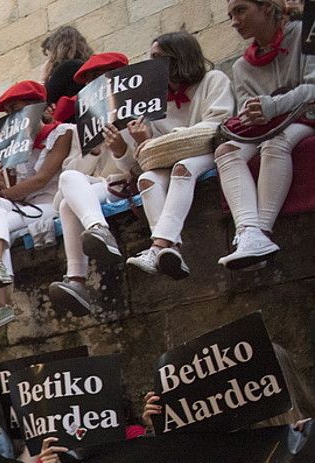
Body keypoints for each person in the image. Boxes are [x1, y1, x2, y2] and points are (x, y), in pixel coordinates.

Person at [0, 80, 72, 338]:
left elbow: (41, 180)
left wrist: (3, 192)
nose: (13, 118)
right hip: (26, 207)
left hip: (53, 203)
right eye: (9, 113)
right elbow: (16, 190)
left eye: (17, 109)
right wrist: (0, 186)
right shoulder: (14, 146)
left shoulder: (63, 132)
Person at [126, 32, 235, 279]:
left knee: (183, 168)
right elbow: (150, 149)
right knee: (147, 180)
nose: (152, 64)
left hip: (207, 147)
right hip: (168, 155)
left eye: (158, 57)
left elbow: (219, 121)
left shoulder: (213, 80)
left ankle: (157, 247)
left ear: (178, 57)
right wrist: (142, 139)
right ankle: (171, 248)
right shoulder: (155, 101)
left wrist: (172, 137)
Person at [214, 0, 314, 269]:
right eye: (230, 15)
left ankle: (262, 233)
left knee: (276, 143)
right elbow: (249, 110)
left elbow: (312, 89)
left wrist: (271, 107)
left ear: (267, 7)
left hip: (307, 116)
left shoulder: (307, 32)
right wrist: (253, 114)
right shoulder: (241, 67)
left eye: (241, 10)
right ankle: (248, 233)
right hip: (269, 126)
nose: (234, 21)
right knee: (226, 151)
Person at [46, 52, 136, 316]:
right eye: (88, 81)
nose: (92, 86)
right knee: (65, 196)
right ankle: (95, 238)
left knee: (66, 204)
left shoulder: (138, 110)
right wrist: (91, 153)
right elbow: (67, 178)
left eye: (99, 78)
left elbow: (138, 165)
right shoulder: (82, 126)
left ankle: (77, 279)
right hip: (97, 190)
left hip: (124, 184)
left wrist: (120, 149)